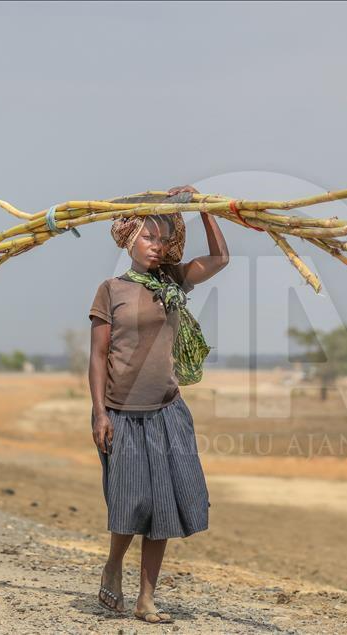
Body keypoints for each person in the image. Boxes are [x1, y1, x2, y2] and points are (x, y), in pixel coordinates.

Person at [88, 184, 228, 624]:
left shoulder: (172, 281)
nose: (156, 246)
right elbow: (97, 355)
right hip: (122, 413)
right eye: (148, 237)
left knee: (162, 508)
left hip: (167, 411)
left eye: (163, 239)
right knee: (130, 504)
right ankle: (113, 567)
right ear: (128, 239)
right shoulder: (111, 290)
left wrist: (205, 208)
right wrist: (99, 411)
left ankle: (146, 599)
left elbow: (220, 259)